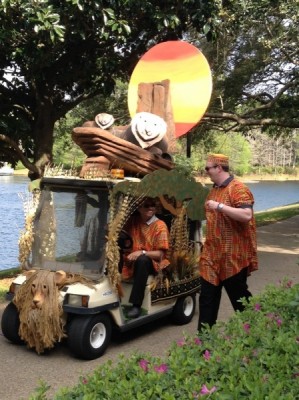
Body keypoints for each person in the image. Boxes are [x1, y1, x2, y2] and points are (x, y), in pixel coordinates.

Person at [198, 154, 258, 331]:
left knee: (240, 301)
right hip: (211, 256)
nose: (206, 171)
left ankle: (255, 333)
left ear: (219, 168)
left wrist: (220, 207)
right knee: (206, 301)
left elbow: (247, 215)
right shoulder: (214, 190)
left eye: (208, 168)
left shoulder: (238, 188)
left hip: (233, 258)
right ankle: (204, 345)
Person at [122, 197, 170, 318]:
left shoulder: (160, 225)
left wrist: (142, 252)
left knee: (142, 261)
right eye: (146, 205)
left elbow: (160, 254)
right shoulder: (133, 221)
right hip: (132, 258)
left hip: (154, 262)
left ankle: (136, 305)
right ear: (139, 208)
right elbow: (122, 235)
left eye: (152, 205)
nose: (150, 208)